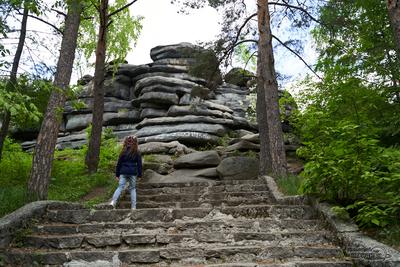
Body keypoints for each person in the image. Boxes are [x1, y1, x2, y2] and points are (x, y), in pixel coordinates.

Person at [110, 135, 142, 209]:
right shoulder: (137, 152)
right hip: (133, 172)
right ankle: (133, 207)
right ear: (135, 143)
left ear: (126, 142)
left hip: (123, 172)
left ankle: (113, 202)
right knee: (133, 189)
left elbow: (119, 164)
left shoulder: (123, 152)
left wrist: (117, 174)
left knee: (120, 187)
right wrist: (140, 175)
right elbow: (139, 165)